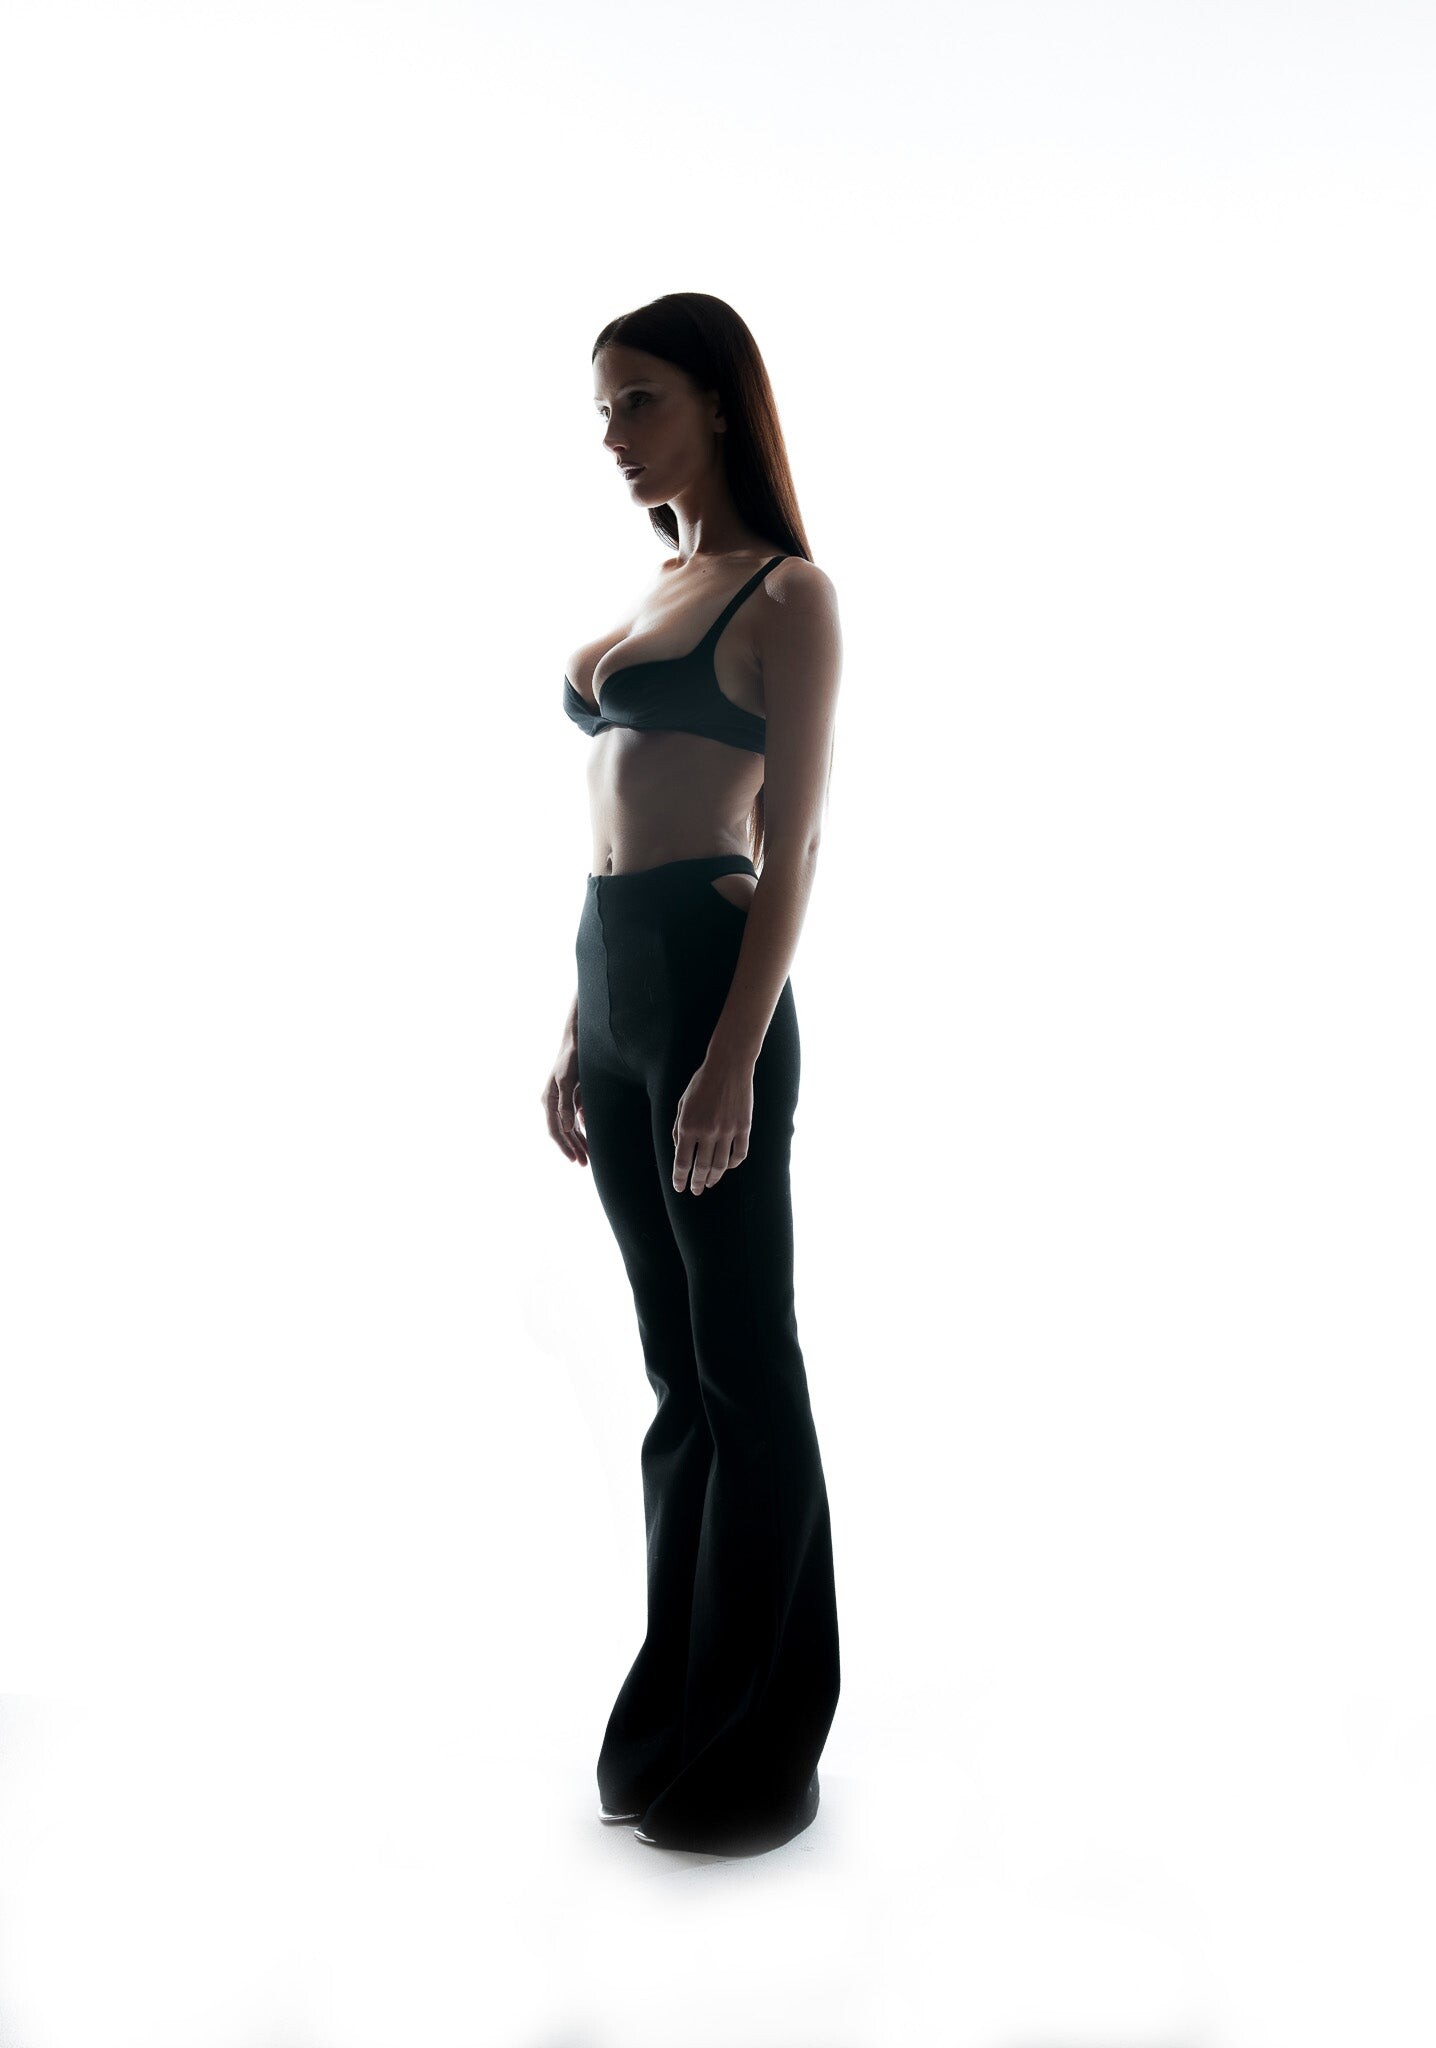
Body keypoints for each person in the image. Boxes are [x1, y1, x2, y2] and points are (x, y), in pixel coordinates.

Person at [540, 292, 843, 1856]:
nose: (614, 433)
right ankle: (677, 1706)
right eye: (602, 408)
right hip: (617, 986)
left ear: (718, 401)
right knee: (677, 1377)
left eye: (640, 400)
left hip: (715, 981)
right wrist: (577, 1025)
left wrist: (729, 1055)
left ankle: (761, 1742)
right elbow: (616, 821)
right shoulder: (666, 582)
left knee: (743, 1365)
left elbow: (791, 848)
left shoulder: (789, 595)